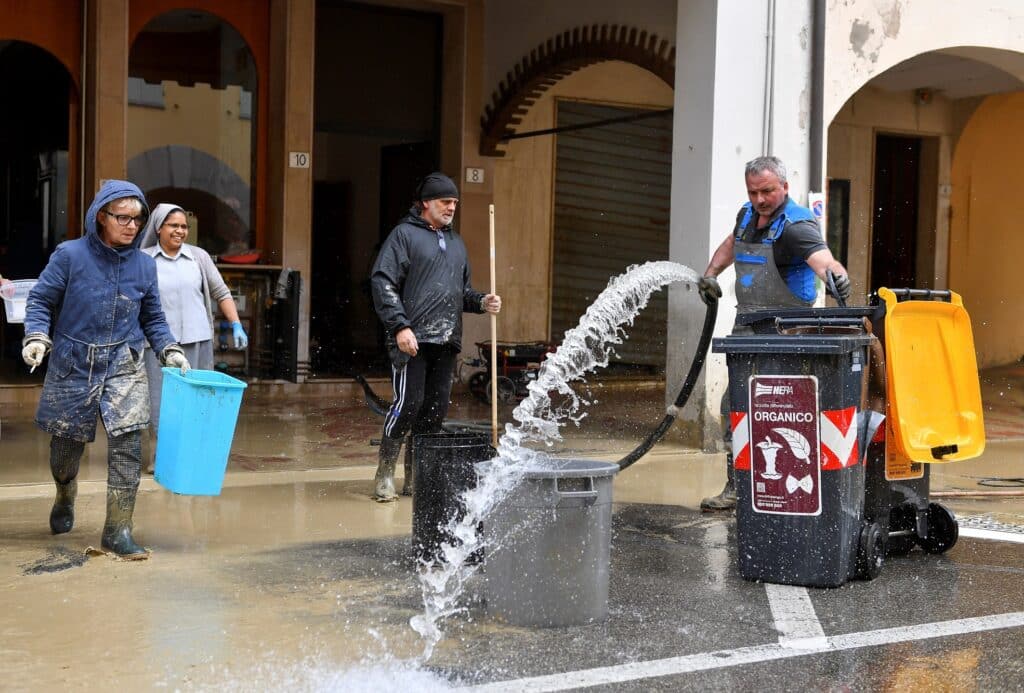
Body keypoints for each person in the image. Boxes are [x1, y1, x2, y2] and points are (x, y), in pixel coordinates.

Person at [21, 181, 190, 558]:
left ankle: (118, 529)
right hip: (73, 362)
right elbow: (41, 300)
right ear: (101, 216)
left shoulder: (144, 266)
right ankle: (65, 492)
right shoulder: (70, 255)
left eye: (137, 219)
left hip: (123, 363)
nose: (131, 226)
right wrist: (35, 336)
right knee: (65, 450)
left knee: (129, 445)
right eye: (123, 218)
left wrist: (169, 350)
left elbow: (154, 319)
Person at [696, 156, 851, 511]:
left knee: (783, 411)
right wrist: (710, 274)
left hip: (787, 331)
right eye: (754, 192)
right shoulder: (746, 215)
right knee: (735, 408)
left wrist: (837, 276)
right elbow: (730, 245)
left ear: (784, 187)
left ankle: (791, 490)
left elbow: (824, 261)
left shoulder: (798, 226)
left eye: (767, 191)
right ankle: (738, 489)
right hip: (747, 327)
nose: (760, 199)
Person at [369, 172, 501, 502]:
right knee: (408, 405)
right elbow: (382, 281)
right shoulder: (403, 235)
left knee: (435, 411)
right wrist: (400, 326)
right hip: (411, 339)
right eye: (445, 201)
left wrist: (483, 301)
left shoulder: (457, 244)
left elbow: (463, 292)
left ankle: (419, 478)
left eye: (455, 202)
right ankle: (385, 473)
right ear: (425, 202)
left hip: (447, 340)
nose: (451, 207)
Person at [138, 204, 248, 458]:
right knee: (160, 401)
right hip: (156, 345)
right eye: (173, 226)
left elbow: (221, 292)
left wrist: (236, 324)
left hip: (197, 340)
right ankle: (160, 455)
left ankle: (192, 452)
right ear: (158, 228)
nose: (180, 231)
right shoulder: (143, 260)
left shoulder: (199, 257)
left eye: (184, 226)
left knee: (197, 397)